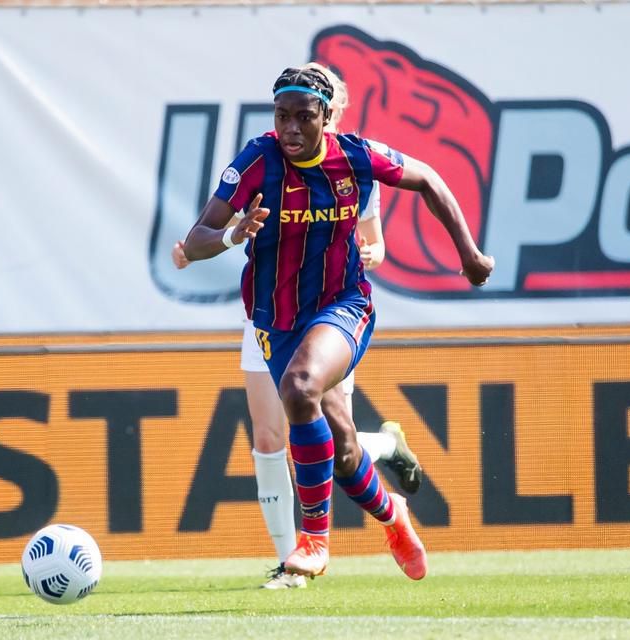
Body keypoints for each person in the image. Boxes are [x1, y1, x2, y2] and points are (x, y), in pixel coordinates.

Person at [180, 65, 493, 581]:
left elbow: (428, 179)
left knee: (299, 387)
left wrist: (470, 254)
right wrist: (235, 234)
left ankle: (313, 542)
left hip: (342, 305)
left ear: (326, 117)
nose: (291, 128)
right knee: (344, 450)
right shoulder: (256, 161)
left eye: (304, 117)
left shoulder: (355, 157)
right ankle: (393, 514)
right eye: (282, 116)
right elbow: (195, 241)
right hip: (276, 320)